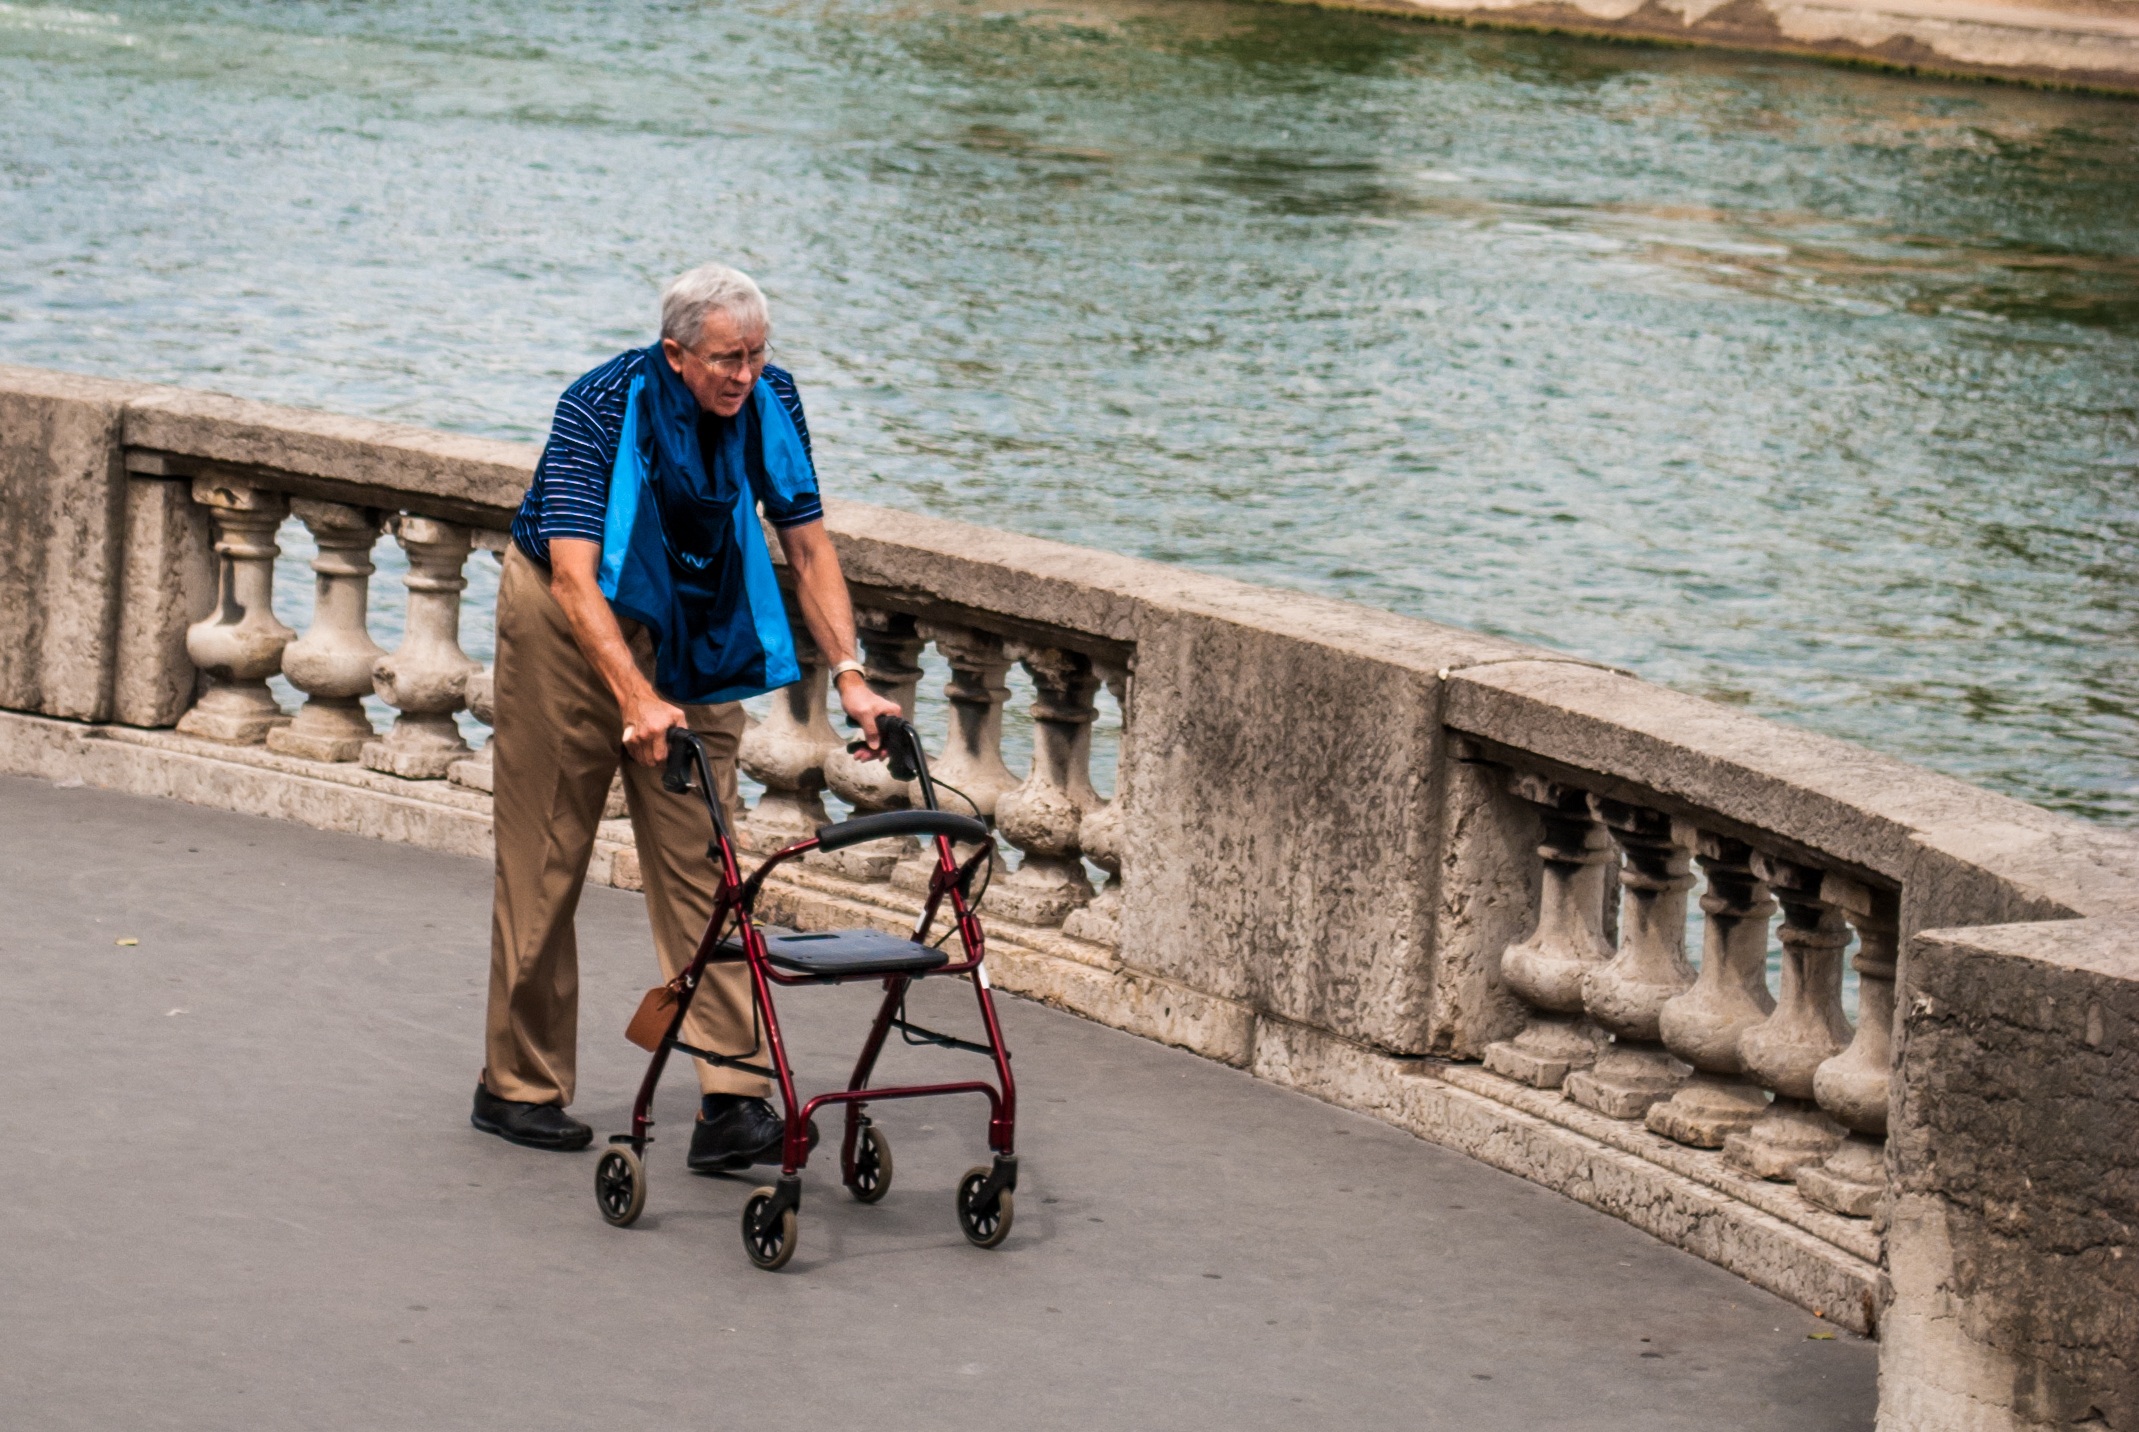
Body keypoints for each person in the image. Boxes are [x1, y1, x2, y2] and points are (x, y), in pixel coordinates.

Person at [473, 263, 900, 1169]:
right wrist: (633, 697)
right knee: (547, 853)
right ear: (675, 355)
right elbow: (574, 576)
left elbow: (808, 541)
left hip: (695, 624)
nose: (742, 375)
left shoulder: (770, 402)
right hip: (568, 625)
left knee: (707, 860)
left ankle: (730, 1098)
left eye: (754, 355)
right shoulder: (598, 407)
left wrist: (852, 675)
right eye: (723, 360)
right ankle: (518, 1084)